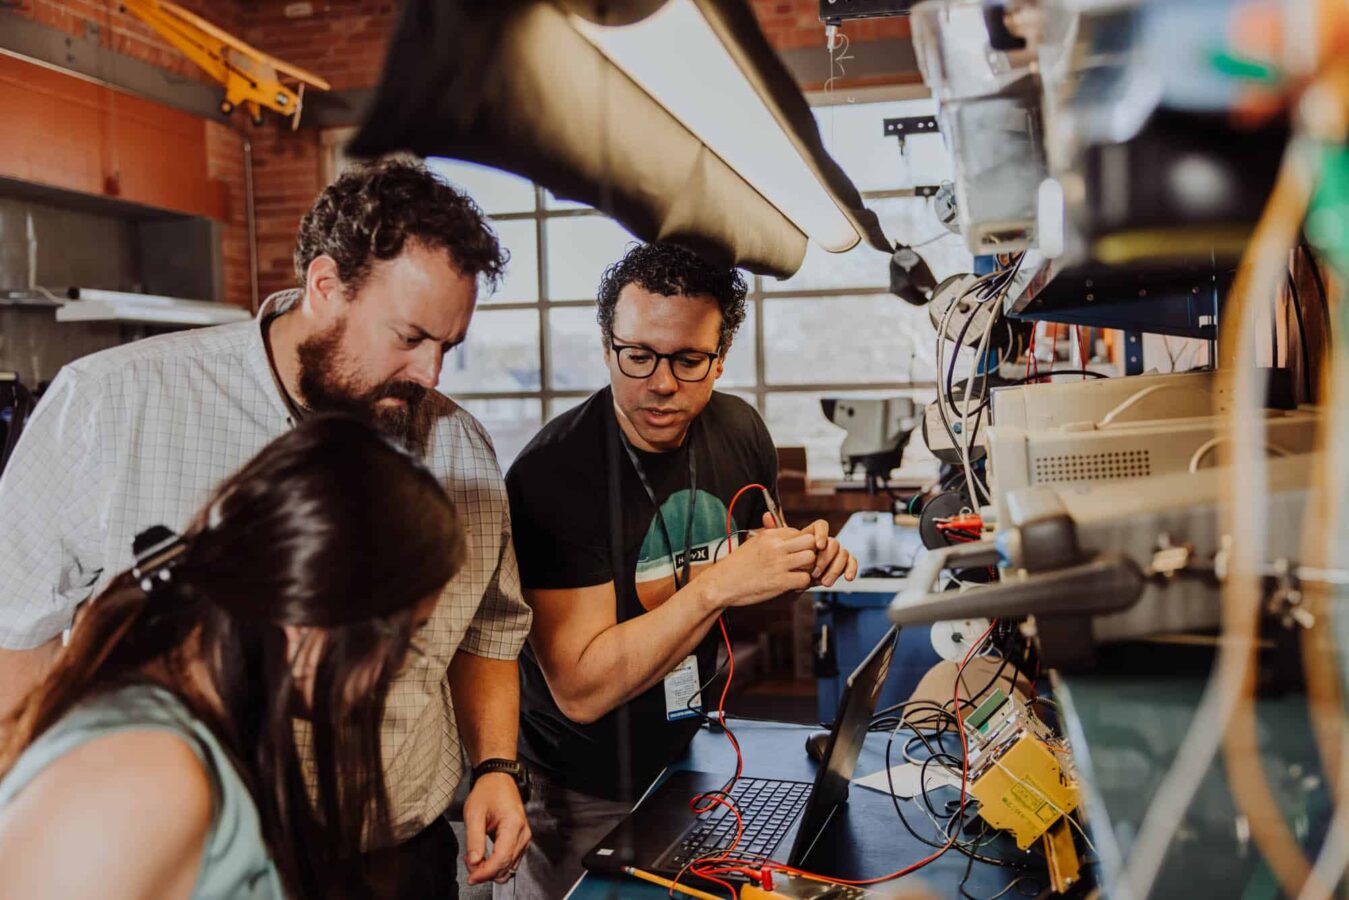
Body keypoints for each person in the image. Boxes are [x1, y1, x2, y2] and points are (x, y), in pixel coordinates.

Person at [0, 159, 532, 895]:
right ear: (323, 286)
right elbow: (13, 626)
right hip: (184, 856)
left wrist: (495, 766)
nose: (431, 375)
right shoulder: (112, 402)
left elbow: (489, 631)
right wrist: (49, 802)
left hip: (394, 854)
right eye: (409, 336)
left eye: (448, 345)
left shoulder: (458, 447)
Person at [502, 242, 859, 896]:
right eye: (637, 355)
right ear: (607, 347)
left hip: (689, 754)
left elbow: (757, 562)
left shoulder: (738, 429)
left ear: (720, 358)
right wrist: (716, 585)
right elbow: (581, 689)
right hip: (578, 788)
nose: (661, 383)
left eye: (689, 360)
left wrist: (801, 559)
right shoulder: (555, 474)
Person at [0, 416, 462, 898]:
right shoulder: (145, 775)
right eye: (407, 635)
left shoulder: (202, 732)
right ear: (315, 617)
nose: (401, 666)